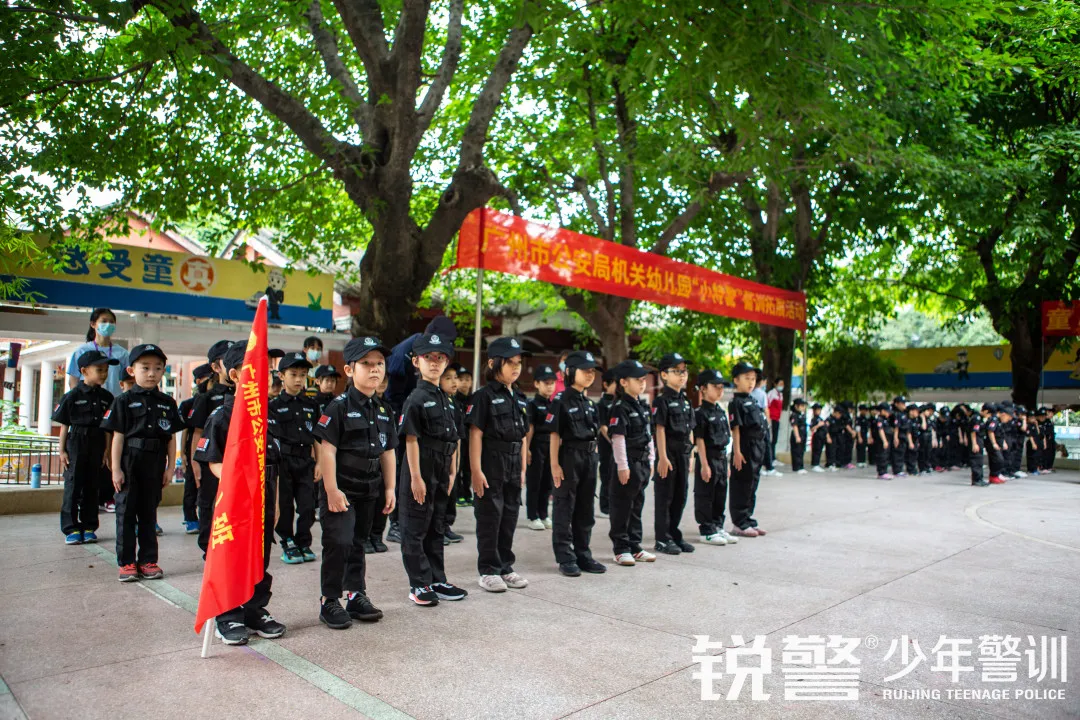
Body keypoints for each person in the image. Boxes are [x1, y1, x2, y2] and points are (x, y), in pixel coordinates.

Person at [195, 342, 287, 645]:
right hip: (234, 504)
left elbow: (272, 466)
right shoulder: (222, 416)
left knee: (260, 558)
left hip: (263, 503)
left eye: (266, 370)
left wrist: (273, 506)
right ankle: (228, 613)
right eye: (254, 371)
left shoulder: (267, 416)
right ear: (234, 374)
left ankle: (254, 610)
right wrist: (241, 483)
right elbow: (213, 462)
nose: (263, 376)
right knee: (232, 557)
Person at [313, 336, 398, 629]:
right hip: (343, 488)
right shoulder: (337, 406)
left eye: (379, 364)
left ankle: (355, 594)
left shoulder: (384, 409)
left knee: (358, 543)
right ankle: (330, 600)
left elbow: (389, 452)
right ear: (349, 370)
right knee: (339, 541)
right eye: (366, 364)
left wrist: (389, 488)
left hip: (370, 488)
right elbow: (327, 450)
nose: (374, 370)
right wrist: (331, 489)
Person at [397, 331, 469, 606]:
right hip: (421, 467)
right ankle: (419, 584)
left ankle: (437, 579)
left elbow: (453, 439)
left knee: (437, 525)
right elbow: (412, 440)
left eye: (440, 358)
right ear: (417, 362)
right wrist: (415, 477)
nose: (435, 363)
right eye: (429, 358)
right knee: (416, 526)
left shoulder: (447, 399)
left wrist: (452, 472)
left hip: (442, 469)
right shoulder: (415, 398)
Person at [101, 344, 181, 582]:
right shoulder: (123, 401)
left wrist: (169, 468)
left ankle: (148, 561)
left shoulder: (167, 403)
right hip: (129, 462)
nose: (151, 373)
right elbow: (118, 437)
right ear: (131, 370)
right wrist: (115, 469)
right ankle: (126, 562)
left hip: (154, 463)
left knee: (148, 513)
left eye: (158, 368)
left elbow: (171, 439)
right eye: (145, 368)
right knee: (125, 513)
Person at [466, 336, 531, 593]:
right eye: (509, 363)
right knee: (490, 516)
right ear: (493, 364)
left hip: (515, 463)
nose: (515, 367)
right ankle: (488, 570)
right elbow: (475, 434)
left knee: (510, 515)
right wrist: (475, 470)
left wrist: (524, 468)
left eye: (518, 362)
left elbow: (523, 435)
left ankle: (506, 566)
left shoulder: (520, 397)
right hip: (491, 461)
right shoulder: (482, 396)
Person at [548, 350, 606, 576]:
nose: (590, 375)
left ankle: (583, 554)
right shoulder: (560, 400)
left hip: (589, 458)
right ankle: (565, 557)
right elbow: (554, 434)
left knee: (585, 509)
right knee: (564, 507)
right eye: (586, 371)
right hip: (569, 458)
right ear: (571, 372)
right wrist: (554, 464)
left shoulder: (591, 404)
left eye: (593, 371)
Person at [54, 350, 117, 545]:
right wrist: (62, 449)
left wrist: (107, 451)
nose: (104, 373)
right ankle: (71, 529)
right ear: (84, 371)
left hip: (97, 442)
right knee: (73, 486)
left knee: (92, 486)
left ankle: (89, 526)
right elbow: (65, 425)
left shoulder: (107, 397)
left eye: (106, 370)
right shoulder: (72, 396)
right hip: (77, 442)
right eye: (99, 369)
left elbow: (108, 429)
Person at [270, 351, 320, 565]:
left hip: (305, 461)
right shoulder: (272, 406)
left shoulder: (311, 404)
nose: (299, 379)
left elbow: (318, 436)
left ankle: (304, 541)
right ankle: (287, 541)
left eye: (303, 374)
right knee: (285, 505)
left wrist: (319, 462)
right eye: (293, 374)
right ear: (281, 375)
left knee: (308, 505)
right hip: (283, 462)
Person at [606, 359, 657, 566]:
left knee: (637, 505)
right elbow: (618, 439)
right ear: (624, 382)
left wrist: (652, 459)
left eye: (644, 379)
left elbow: (649, 435)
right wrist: (622, 466)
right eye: (638, 380)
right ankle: (621, 548)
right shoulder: (620, 407)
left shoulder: (643, 406)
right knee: (622, 506)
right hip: (628, 463)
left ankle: (635, 546)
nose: (642, 383)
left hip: (642, 463)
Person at [191, 340, 237, 554]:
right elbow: (197, 433)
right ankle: (208, 547)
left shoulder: (249, 397)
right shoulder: (206, 398)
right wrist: (195, 463)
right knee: (209, 502)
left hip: (237, 460)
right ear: (216, 367)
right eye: (226, 359)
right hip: (212, 458)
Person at [651, 352, 696, 555]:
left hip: (683, 454)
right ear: (664, 375)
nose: (682, 375)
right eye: (676, 371)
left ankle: (674, 534)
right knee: (665, 496)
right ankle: (662, 538)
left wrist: (692, 456)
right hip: (668, 452)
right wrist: (662, 457)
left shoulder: (686, 401)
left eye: (684, 371)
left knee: (680, 495)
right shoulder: (661, 401)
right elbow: (659, 429)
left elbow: (691, 431)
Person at [693, 369, 736, 546]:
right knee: (706, 494)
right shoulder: (700, 413)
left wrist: (725, 464)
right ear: (703, 388)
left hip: (720, 458)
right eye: (715, 387)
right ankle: (706, 529)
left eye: (721, 387)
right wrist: (704, 464)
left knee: (720, 493)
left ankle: (718, 526)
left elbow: (726, 439)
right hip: (708, 457)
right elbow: (700, 440)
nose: (720, 391)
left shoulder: (720, 411)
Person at [728, 362, 768, 538]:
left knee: (753, 483)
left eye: (753, 379)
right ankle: (739, 522)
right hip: (744, 448)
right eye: (747, 378)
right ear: (736, 380)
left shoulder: (752, 400)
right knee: (742, 484)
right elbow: (736, 428)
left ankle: (748, 517)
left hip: (757, 447)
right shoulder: (736, 402)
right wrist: (736, 451)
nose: (751, 382)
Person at [178, 363, 213, 534]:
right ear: (199, 381)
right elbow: (187, 430)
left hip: (211, 450)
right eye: (208, 378)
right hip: (194, 449)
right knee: (191, 485)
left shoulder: (215, 399)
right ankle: (190, 518)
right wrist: (184, 454)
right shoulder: (188, 404)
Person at [66, 308, 130, 397]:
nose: (108, 324)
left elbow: (129, 379)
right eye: (104, 321)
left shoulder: (123, 353)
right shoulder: (82, 351)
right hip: (88, 402)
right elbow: (73, 380)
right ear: (93, 324)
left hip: (113, 402)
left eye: (111, 322)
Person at [524, 364, 557, 531]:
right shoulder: (533, 404)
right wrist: (527, 449)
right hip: (536, 446)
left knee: (547, 483)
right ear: (537, 384)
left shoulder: (554, 405)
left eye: (552, 383)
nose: (549, 386)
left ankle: (544, 515)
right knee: (535, 482)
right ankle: (532, 516)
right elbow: (530, 428)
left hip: (551, 447)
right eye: (546, 383)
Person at [439, 364, 466, 546]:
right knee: (440, 493)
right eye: (448, 378)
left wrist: (455, 464)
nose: (454, 381)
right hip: (439, 455)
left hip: (453, 455)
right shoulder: (437, 401)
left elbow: (459, 436)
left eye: (455, 377)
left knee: (451, 491)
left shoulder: (455, 404)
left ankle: (446, 526)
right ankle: (437, 529)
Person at [596, 369, 618, 516]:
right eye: (615, 383)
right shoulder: (602, 403)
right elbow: (603, 426)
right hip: (606, 445)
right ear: (606, 384)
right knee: (606, 474)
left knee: (615, 475)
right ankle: (604, 507)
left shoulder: (618, 402)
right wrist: (613, 441)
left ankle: (614, 504)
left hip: (617, 445)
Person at [453, 365, 475, 508]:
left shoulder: (473, 400)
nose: (465, 382)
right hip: (459, 439)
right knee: (457, 467)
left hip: (471, 439)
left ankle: (467, 494)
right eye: (461, 379)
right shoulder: (454, 400)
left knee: (468, 468)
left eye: (468, 379)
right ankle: (458, 494)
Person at [752, 372, 778, 476]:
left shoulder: (750, 393)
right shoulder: (762, 394)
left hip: (752, 421)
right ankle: (769, 467)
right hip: (761, 420)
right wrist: (768, 422)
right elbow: (765, 409)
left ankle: (758, 465)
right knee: (766, 443)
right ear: (762, 381)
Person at [986, 404, 1009, 484]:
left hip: (998, 444)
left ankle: (996, 475)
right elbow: (990, 431)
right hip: (992, 444)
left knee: (998, 460)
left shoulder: (998, 420)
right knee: (998, 460)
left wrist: (1003, 442)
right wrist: (994, 443)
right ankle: (994, 475)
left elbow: (1000, 433)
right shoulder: (994, 420)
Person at [968, 404, 989, 487]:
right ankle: (976, 480)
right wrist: (974, 443)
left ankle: (980, 478)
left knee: (979, 460)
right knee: (976, 460)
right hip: (976, 441)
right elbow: (973, 432)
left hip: (979, 440)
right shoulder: (976, 418)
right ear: (986, 411)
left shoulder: (980, 418)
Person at [873, 403, 893, 480]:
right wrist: (884, 441)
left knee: (886, 456)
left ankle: (884, 471)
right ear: (882, 411)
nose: (889, 413)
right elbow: (880, 430)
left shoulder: (885, 420)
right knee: (882, 456)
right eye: (887, 411)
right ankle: (881, 472)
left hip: (887, 440)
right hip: (881, 441)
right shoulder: (879, 419)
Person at [766, 379, 784, 461]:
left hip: (777, 419)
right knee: (771, 438)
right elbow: (766, 406)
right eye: (780, 384)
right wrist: (768, 419)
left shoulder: (780, 395)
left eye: (782, 384)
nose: (781, 386)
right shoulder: (771, 394)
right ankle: (769, 458)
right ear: (775, 384)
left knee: (775, 439)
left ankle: (772, 457)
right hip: (771, 419)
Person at [891, 396, 909, 477]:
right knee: (897, 453)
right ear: (896, 404)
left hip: (903, 435)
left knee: (902, 452)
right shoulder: (895, 413)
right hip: (898, 435)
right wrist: (895, 437)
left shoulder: (904, 413)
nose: (904, 405)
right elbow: (896, 427)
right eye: (902, 403)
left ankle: (900, 469)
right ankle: (897, 470)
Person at [788, 398, 807, 474]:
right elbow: (795, 426)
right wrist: (797, 436)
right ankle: (797, 467)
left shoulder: (801, 415)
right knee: (797, 451)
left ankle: (801, 466)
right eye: (801, 406)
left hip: (802, 435)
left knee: (801, 451)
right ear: (796, 406)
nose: (803, 407)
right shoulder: (794, 415)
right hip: (797, 435)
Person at [809, 403, 829, 472]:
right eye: (817, 410)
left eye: (819, 410)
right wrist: (818, 425)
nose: (818, 411)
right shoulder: (813, 419)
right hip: (817, 437)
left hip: (822, 437)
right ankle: (815, 464)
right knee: (816, 451)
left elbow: (825, 428)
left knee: (819, 450)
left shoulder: (820, 418)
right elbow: (812, 429)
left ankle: (816, 464)